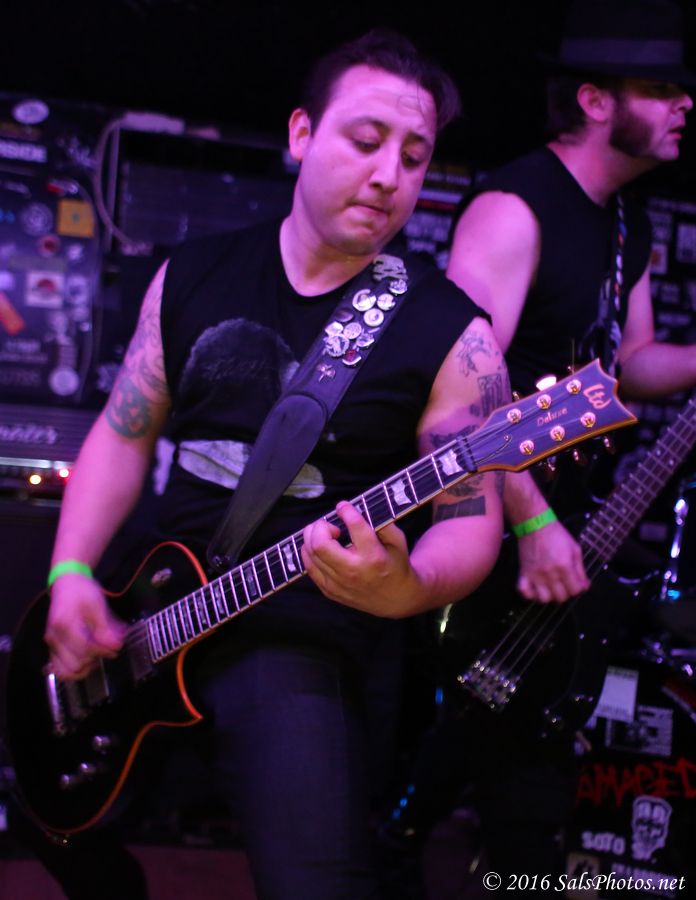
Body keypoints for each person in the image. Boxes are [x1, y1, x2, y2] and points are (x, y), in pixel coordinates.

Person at [39, 29, 507, 900]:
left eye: (414, 157)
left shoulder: (454, 334)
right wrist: (70, 572)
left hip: (299, 634)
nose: (389, 175)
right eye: (365, 141)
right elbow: (123, 433)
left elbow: (469, 519)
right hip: (148, 617)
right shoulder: (192, 275)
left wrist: (408, 588)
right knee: (49, 814)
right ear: (301, 134)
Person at [439, 0, 696, 887]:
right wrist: (531, 521)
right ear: (593, 100)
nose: (685, 105)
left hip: (570, 516)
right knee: (483, 761)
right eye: (662, 89)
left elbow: (630, 365)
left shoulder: (627, 220)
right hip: (490, 518)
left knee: (530, 774)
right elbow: (462, 391)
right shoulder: (514, 208)